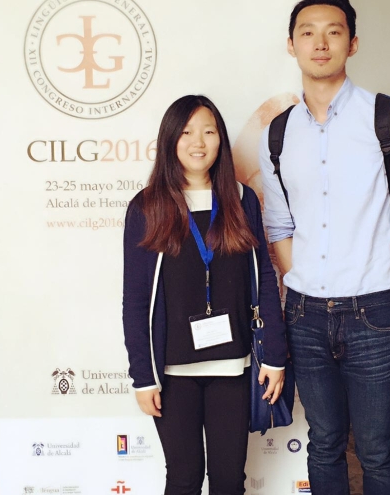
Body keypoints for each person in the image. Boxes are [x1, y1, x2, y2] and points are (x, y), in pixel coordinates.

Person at [258, 0, 390, 495]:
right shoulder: (277, 134)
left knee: (378, 446)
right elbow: (280, 228)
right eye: (308, 33)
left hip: (376, 310)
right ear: (291, 45)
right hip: (304, 315)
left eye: (333, 32)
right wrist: (305, 287)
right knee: (323, 442)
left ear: (353, 43)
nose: (320, 43)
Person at [123, 95, 287, 495]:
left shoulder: (241, 199)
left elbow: (264, 277)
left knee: (229, 481)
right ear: (170, 140)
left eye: (209, 131)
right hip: (172, 373)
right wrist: (143, 377)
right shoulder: (147, 206)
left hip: (232, 366)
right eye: (187, 132)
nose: (199, 142)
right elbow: (136, 299)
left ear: (220, 140)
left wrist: (275, 355)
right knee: (183, 479)